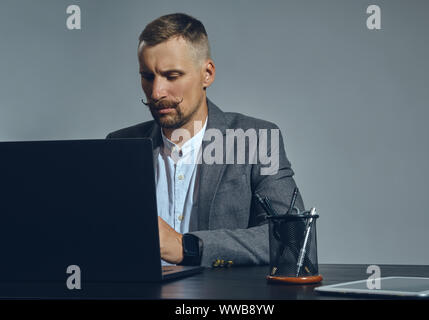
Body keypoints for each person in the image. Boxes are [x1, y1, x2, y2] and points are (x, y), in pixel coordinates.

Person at [106, 13, 304, 268]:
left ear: (207, 73)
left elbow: (293, 239)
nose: (156, 92)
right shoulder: (120, 144)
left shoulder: (255, 140)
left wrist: (187, 247)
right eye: (147, 76)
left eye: (172, 76)